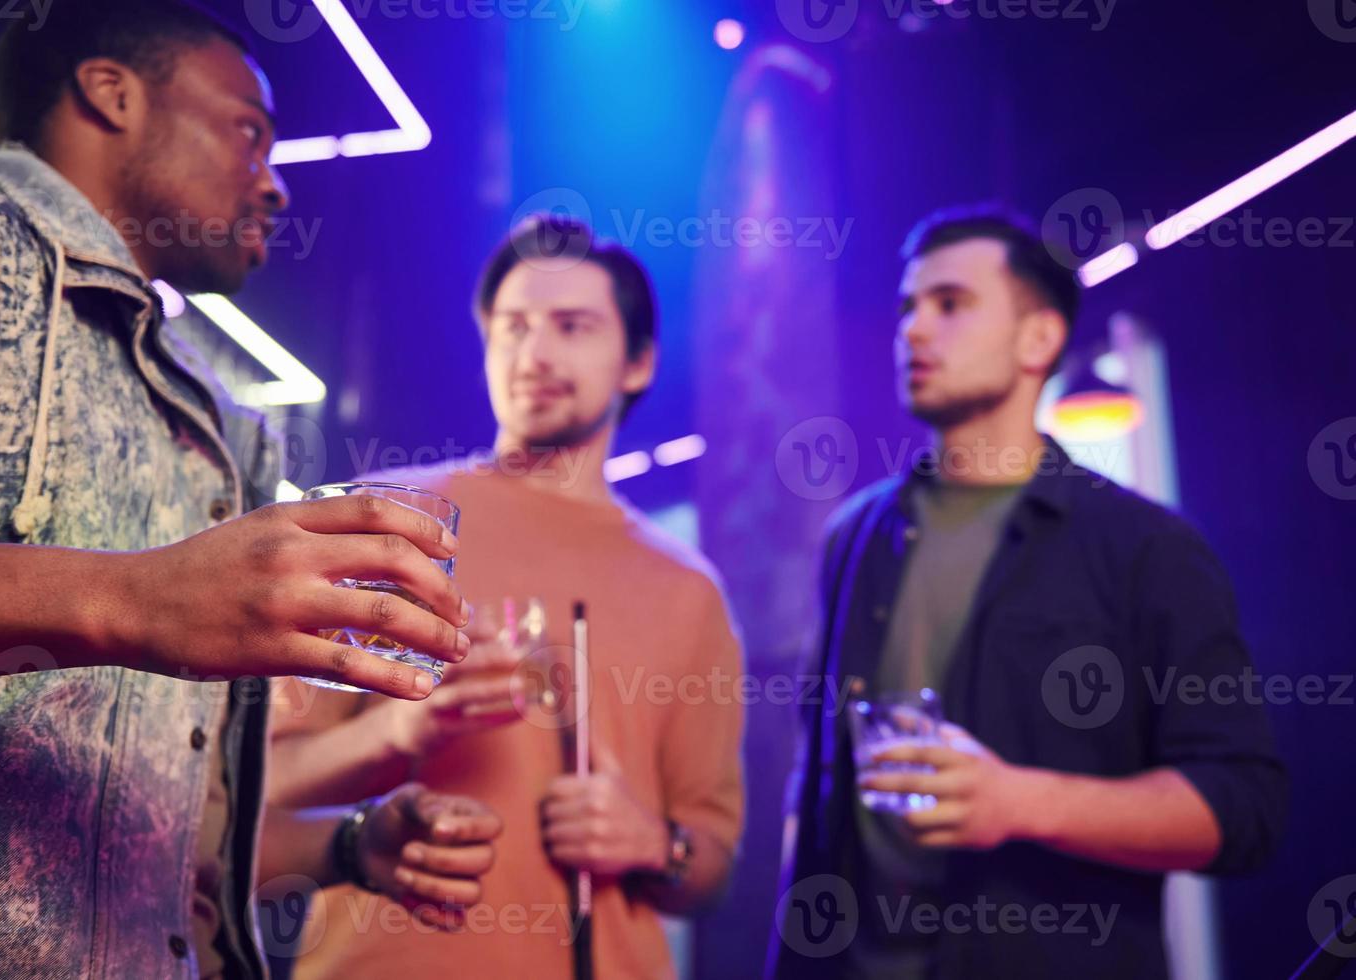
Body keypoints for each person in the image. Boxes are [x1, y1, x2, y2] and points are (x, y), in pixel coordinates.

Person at [0, 3, 499, 976]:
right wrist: (132, 597)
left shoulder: (224, 430)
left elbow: (163, 832)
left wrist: (348, 845)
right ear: (111, 93)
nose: (279, 183)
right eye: (250, 131)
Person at [769, 208, 1286, 979]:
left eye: (949, 305)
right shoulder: (855, 535)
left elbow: (1241, 807)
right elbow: (814, 784)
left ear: (1037, 339)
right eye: (908, 307)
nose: (911, 330)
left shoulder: (1146, 547)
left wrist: (1017, 802)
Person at [267, 215, 746, 979]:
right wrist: (395, 731)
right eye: (513, 326)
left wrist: (654, 843)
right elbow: (255, 790)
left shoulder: (689, 591)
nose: (535, 352)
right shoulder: (387, 521)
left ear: (637, 362)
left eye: (572, 326)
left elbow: (712, 868)